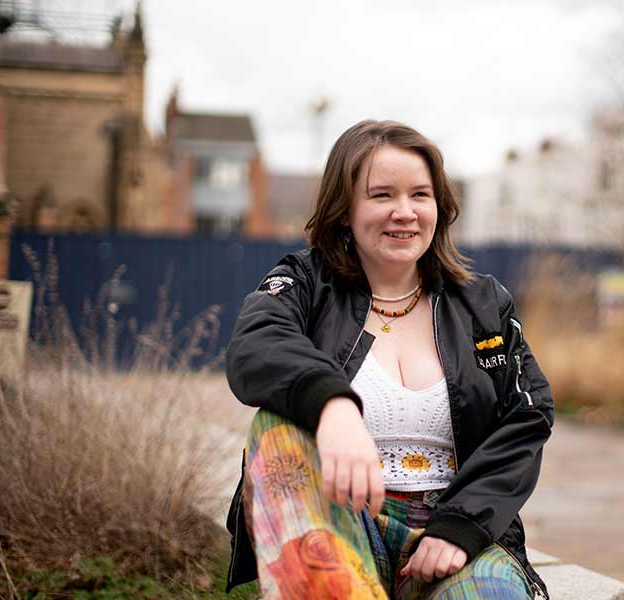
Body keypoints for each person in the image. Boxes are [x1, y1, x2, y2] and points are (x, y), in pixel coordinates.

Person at [224, 120, 554, 599]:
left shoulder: (484, 306)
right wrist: (333, 407)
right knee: (278, 429)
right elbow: (255, 343)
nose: (405, 212)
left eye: (420, 195)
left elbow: (528, 417)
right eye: (382, 196)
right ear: (345, 210)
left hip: (455, 535)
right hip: (341, 518)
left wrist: (459, 527)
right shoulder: (306, 283)